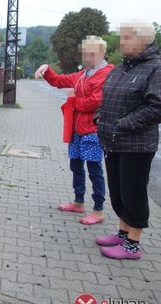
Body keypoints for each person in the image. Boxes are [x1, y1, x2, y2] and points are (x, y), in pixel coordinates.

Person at [95, 21, 161, 260]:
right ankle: (123, 233)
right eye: (121, 37)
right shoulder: (123, 67)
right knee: (119, 191)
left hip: (136, 145)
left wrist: (124, 124)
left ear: (144, 40)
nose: (122, 42)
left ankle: (133, 244)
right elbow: (109, 96)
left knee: (133, 193)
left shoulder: (155, 68)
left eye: (127, 37)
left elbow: (157, 106)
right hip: (113, 142)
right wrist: (100, 115)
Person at [35, 36, 114, 225]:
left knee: (94, 169)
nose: (87, 57)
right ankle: (79, 202)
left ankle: (98, 210)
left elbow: (96, 101)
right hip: (77, 129)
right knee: (76, 166)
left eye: (91, 53)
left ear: (102, 53)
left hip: (93, 130)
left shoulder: (106, 74)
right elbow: (60, 81)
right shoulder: (83, 74)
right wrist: (47, 70)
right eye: (85, 53)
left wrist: (72, 100)